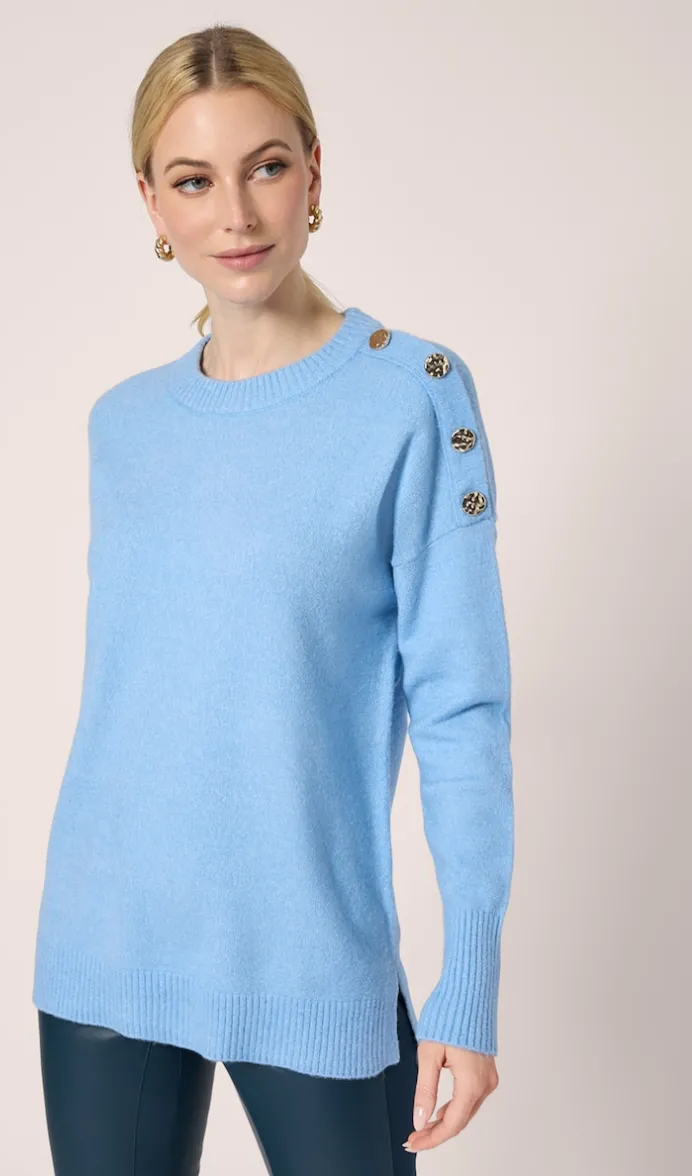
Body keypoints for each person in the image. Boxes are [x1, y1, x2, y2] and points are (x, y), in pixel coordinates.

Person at [32, 23, 514, 1176]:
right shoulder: (123, 425)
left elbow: (460, 707)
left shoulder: (413, 395)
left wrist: (469, 979)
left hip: (306, 958)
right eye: (194, 180)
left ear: (313, 170)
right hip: (105, 937)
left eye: (265, 166)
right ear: (151, 202)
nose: (237, 215)